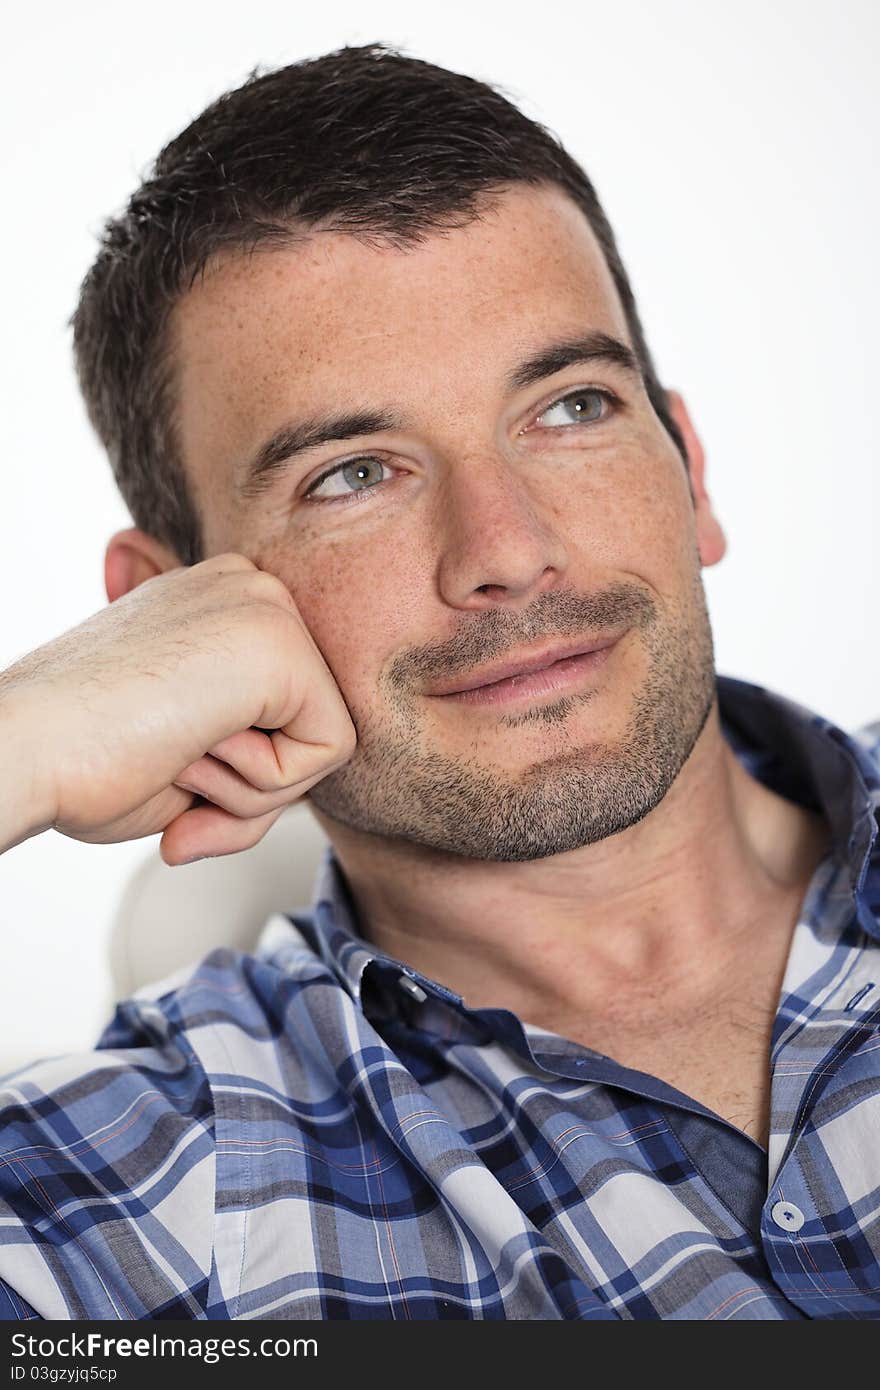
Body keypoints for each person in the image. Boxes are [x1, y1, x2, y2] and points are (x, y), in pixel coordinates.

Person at [0, 40, 877, 1323]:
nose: (508, 551)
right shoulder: (131, 1203)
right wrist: (22, 738)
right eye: (353, 473)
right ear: (168, 611)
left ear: (687, 467)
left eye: (570, 407)